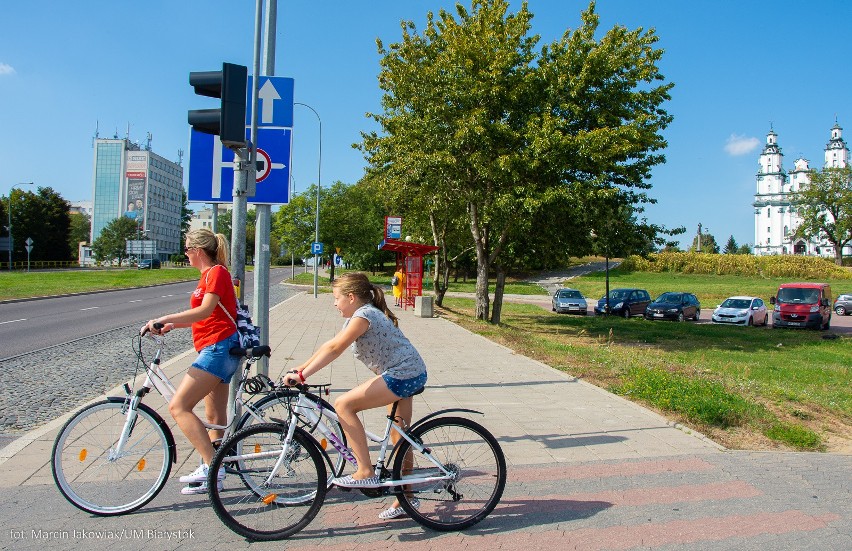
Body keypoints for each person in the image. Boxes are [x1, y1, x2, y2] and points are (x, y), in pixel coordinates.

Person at [281, 272, 427, 520]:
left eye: (336, 298)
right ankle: (408, 498)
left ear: (351, 297)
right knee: (399, 436)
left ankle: (365, 471)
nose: (334, 303)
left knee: (344, 405)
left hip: (402, 374)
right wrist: (301, 369)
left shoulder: (364, 316)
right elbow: (330, 345)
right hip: (409, 371)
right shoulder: (360, 315)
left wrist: (303, 375)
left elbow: (336, 349)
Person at [142, 228, 240, 495]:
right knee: (214, 416)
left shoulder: (217, 272)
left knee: (179, 406)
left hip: (218, 349)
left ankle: (213, 466)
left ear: (197, 251)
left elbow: (205, 310)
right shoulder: (207, 275)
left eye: (186, 249)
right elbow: (206, 316)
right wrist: (173, 325)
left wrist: (164, 318)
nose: (185, 254)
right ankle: (215, 476)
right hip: (218, 347)